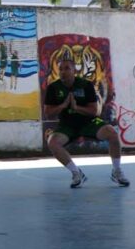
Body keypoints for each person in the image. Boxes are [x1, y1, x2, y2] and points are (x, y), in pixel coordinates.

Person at [44, 58, 129, 188]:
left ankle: (117, 171)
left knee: (112, 133)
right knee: (52, 142)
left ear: (74, 71)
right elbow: (48, 112)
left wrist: (76, 107)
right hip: (67, 125)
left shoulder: (85, 85)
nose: (63, 72)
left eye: (67, 68)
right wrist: (63, 105)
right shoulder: (53, 88)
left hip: (88, 122)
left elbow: (94, 111)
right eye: (60, 69)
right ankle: (76, 173)